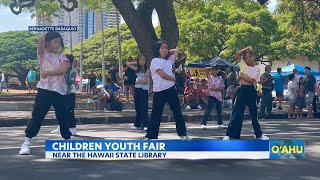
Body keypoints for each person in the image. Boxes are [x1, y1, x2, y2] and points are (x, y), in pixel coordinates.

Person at [19, 32, 72, 155]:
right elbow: (41, 39)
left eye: (59, 42)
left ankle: (67, 139)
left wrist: (47, 73)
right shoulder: (42, 54)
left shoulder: (62, 56)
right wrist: (47, 27)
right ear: (48, 42)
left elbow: (62, 70)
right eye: (55, 41)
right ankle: (26, 142)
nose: (58, 44)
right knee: (38, 115)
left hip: (59, 90)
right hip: (45, 89)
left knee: (63, 115)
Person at [145, 40, 189, 140]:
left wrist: (168, 52)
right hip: (159, 90)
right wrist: (174, 79)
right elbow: (162, 75)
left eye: (166, 48)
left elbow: (176, 51)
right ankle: (151, 136)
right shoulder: (155, 61)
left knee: (177, 111)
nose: (165, 50)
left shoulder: (169, 60)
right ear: (157, 49)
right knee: (156, 113)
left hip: (170, 89)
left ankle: (183, 133)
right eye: (162, 48)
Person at [223, 47, 269, 140]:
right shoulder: (243, 66)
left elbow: (252, 80)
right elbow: (238, 54)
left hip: (251, 91)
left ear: (253, 57)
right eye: (246, 58)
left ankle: (258, 134)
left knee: (253, 113)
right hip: (242, 90)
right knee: (237, 112)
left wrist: (242, 75)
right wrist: (247, 48)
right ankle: (230, 134)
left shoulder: (256, 69)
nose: (249, 59)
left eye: (250, 56)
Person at [51, 54, 78, 135]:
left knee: (69, 111)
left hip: (69, 94)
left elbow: (68, 82)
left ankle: (72, 128)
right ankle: (60, 126)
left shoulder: (73, 71)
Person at [126, 55, 150, 131]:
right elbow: (128, 64)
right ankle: (138, 124)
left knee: (144, 107)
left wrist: (137, 82)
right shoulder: (137, 69)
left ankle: (145, 124)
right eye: (140, 60)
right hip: (138, 89)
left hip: (144, 89)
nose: (142, 62)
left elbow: (145, 81)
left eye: (143, 60)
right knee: (138, 107)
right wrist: (136, 62)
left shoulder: (147, 70)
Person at [200, 65, 225, 129]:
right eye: (214, 70)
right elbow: (205, 69)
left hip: (218, 96)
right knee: (208, 109)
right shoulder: (209, 77)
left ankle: (220, 123)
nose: (215, 71)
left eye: (216, 70)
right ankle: (203, 123)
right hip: (211, 95)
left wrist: (215, 89)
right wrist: (211, 68)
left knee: (219, 110)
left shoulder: (220, 79)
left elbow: (222, 88)